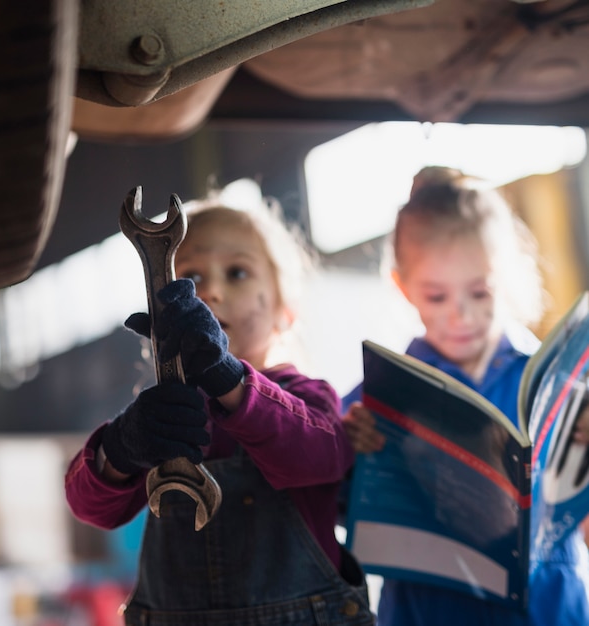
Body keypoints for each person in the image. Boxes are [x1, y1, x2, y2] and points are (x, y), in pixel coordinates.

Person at [65, 193, 375, 626]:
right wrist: (120, 447)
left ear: (285, 312)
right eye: (190, 276)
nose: (210, 290)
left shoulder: (308, 397)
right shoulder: (161, 417)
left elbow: (320, 455)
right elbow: (92, 508)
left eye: (238, 272)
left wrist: (225, 375)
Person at [341, 167, 589, 626]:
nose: (461, 315)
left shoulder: (556, 382)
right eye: (436, 296)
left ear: (508, 275)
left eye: (480, 292)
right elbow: (330, 499)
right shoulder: (381, 392)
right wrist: (349, 449)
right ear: (402, 287)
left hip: (550, 609)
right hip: (430, 609)